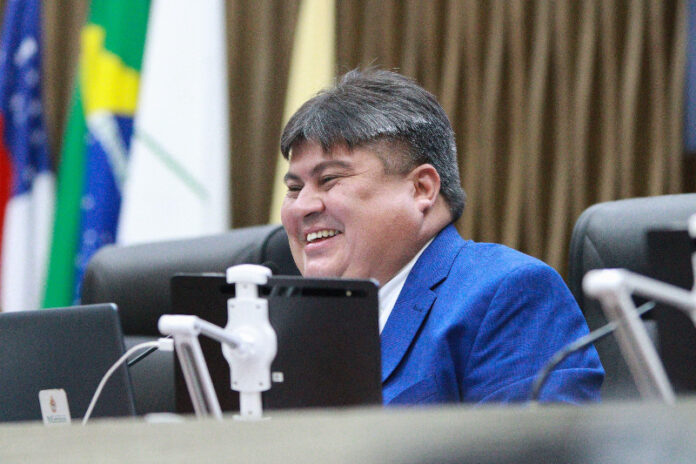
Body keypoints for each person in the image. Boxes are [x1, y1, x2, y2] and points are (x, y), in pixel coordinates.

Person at [279, 68, 603, 405]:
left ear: (421, 189)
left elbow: (534, 440)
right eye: (294, 188)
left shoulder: (509, 295)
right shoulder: (283, 326)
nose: (302, 207)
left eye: (329, 179)